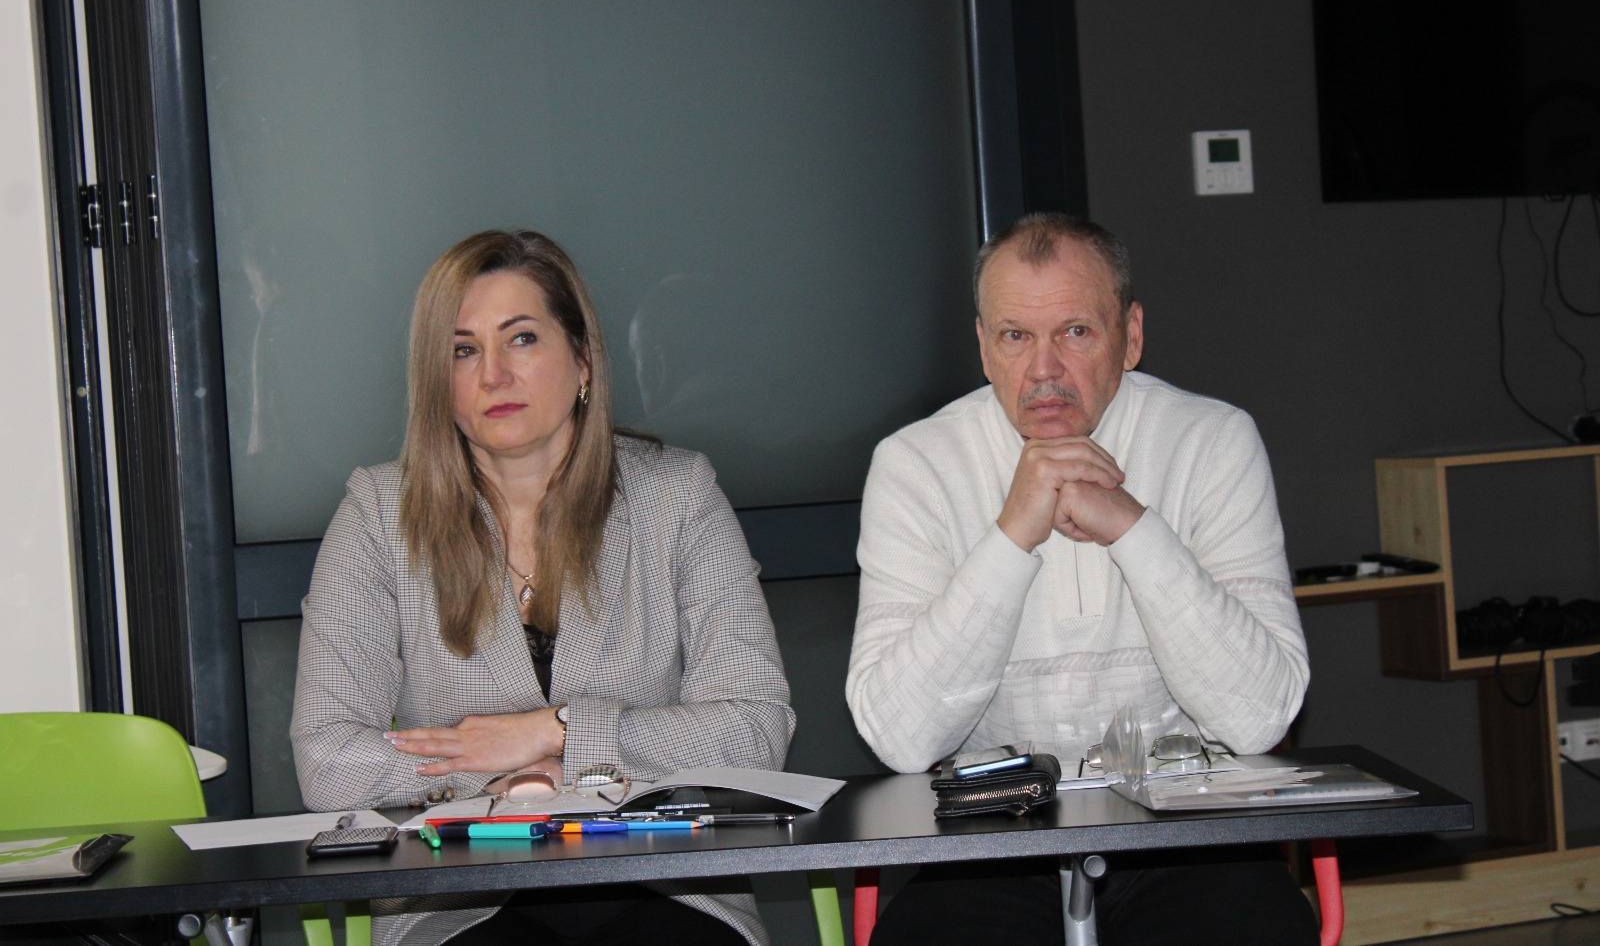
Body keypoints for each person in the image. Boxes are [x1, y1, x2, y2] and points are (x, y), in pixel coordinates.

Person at [291, 229, 794, 946]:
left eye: (521, 339)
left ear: (582, 359)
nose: (493, 375)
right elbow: (329, 761)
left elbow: (755, 727)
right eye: (463, 351)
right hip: (460, 897)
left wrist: (556, 732)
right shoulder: (379, 514)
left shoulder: (678, 496)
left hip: (661, 879)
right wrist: (501, 784)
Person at [845, 213, 1315, 945]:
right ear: (983, 346)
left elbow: (1260, 718)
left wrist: (1135, 530)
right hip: (992, 835)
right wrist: (1012, 537)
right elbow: (900, 738)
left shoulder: (1212, 442)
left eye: (1075, 332)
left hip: (1186, 828)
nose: (1044, 370)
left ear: (1131, 336)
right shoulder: (915, 465)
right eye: (1016, 336)